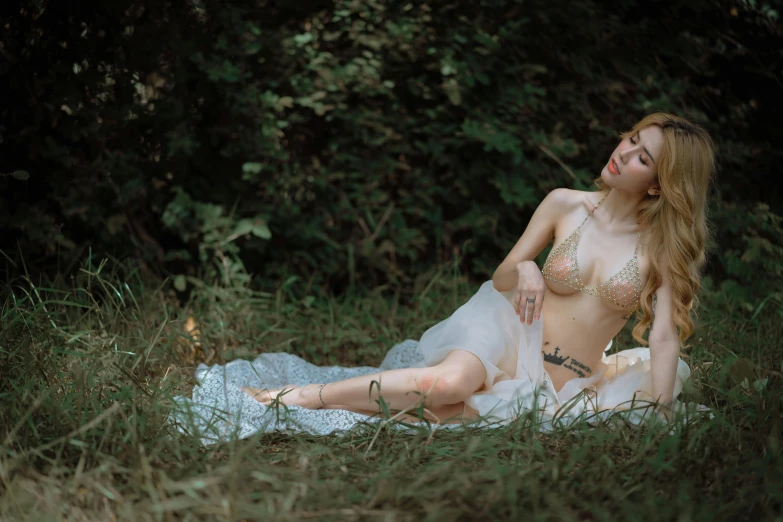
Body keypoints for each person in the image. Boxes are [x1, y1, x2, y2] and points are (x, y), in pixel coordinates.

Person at [241, 112, 716, 427]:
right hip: (506, 329)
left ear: (659, 185)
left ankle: (347, 399)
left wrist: (664, 410)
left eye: (643, 157)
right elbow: (504, 274)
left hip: (563, 378)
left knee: (446, 412)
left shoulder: (660, 247)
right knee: (448, 386)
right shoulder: (564, 204)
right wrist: (528, 268)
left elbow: (664, 335)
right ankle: (300, 396)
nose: (624, 152)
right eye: (631, 139)